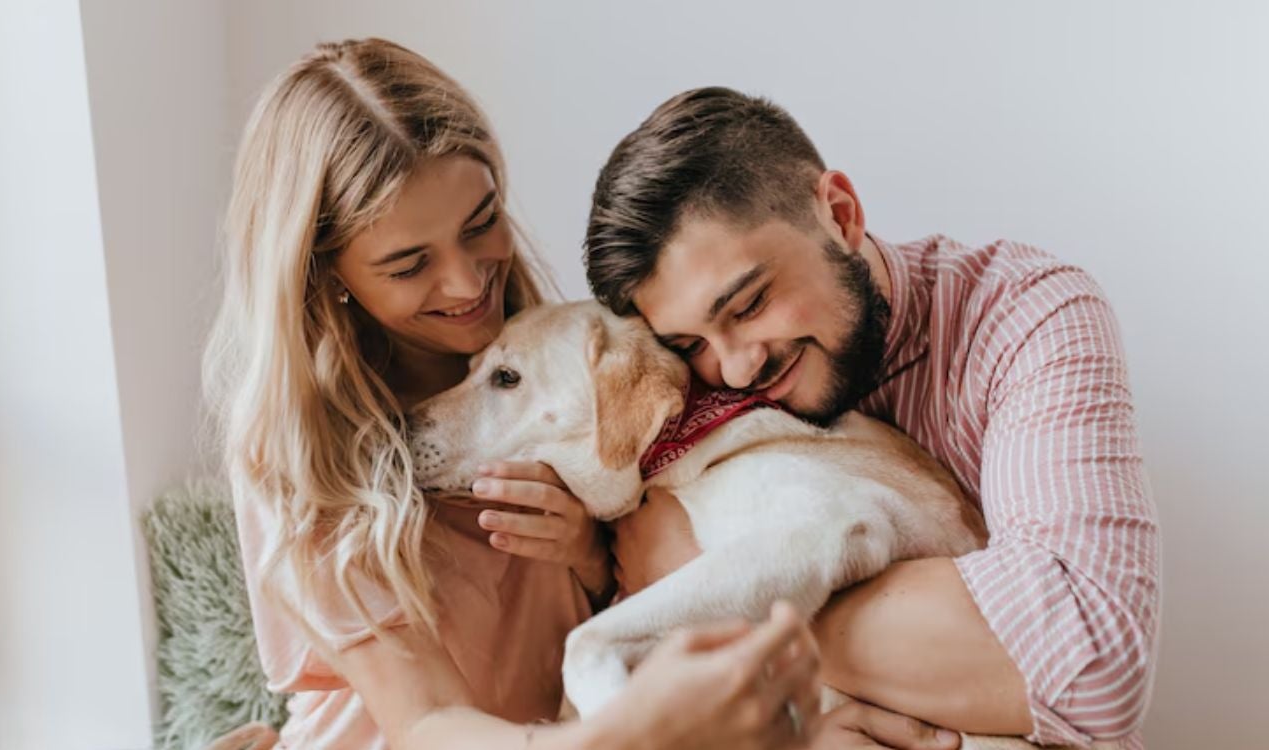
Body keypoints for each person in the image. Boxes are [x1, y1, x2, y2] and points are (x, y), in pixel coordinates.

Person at [203, 40, 822, 750]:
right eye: (410, 265)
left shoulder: (562, 363)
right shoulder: (301, 456)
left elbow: (623, 593)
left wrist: (589, 553)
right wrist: (629, 733)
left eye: (480, 224)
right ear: (325, 273)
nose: (468, 284)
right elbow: (425, 723)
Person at [584, 87, 1160, 750]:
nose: (738, 370)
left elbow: (1091, 668)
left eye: (749, 304)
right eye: (691, 344)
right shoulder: (683, 407)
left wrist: (697, 581)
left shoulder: (1024, 317)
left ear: (840, 214)